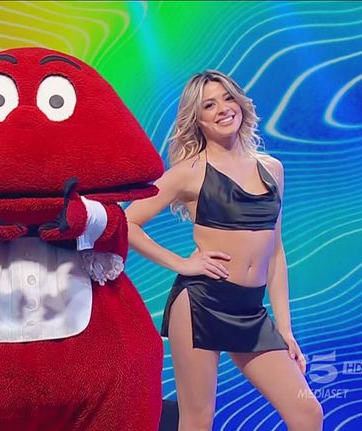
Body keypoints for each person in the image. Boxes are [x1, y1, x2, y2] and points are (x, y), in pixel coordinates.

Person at [125, 70, 323, 431]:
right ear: (197, 120)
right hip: (201, 304)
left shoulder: (272, 169)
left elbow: (275, 253)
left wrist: (285, 328)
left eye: (228, 98)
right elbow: (127, 222)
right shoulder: (189, 172)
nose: (223, 109)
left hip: (251, 311)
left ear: (241, 103)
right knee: (198, 420)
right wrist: (182, 264)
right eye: (209, 105)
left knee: (307, 413)